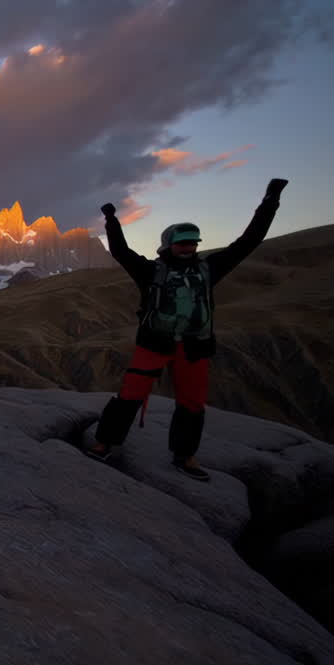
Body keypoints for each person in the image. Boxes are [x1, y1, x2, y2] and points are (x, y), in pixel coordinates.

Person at [86, 178, 288, 480]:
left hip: (193, 346)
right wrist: (112, 220)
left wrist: (270, 200)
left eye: (193, 243)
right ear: (169, 244)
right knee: (130, 395)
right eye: (183, 243)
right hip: (154, 343)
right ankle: (105, 443)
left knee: (192, 403)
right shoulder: (150, 271)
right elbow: (121, 252)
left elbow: (249, 241)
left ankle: (184, 457)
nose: (189, 248)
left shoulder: (209, 269)